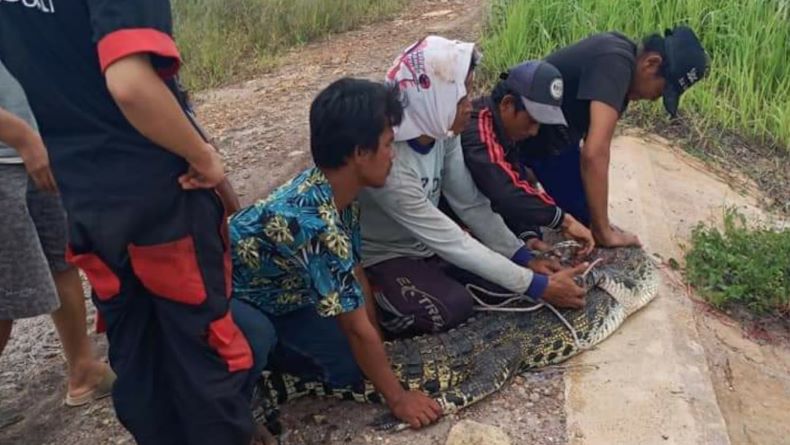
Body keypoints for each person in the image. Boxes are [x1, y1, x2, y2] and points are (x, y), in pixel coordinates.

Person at [0, 2, 257, 444]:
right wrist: (204, 155)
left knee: (137, 351)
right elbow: (131, 85)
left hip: (84, 198)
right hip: (161, 193)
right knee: (204, 352)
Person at [230, 78, 442, 430]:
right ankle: (232, 399)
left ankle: (267, 359)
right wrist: (399, 398)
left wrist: (378, 339)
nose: (394, 155)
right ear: (360, 153)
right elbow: (354, 328)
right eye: (389, 144)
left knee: (352, 368)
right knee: (257, 335)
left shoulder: (339, 196)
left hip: (280, 299)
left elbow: (353, 273)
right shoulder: (312, 221)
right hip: (219, 300)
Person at [359, 36, 589, 338]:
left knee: (507, 280)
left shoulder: (444, 132)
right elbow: (452, 240)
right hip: (388, 254)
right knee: (453, 306)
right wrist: (539, 287)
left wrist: (524, 258)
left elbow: (470, 204)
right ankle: (377, 296)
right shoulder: (389, 159)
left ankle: (437, 277)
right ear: (435, 95)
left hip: (428, 247)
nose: (471, 104)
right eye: (462, 94)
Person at [519, 26, 708, 247]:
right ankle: (521, 170)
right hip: (528, 133)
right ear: (651, 63)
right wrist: (603, 233)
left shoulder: (623, 58)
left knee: (586, 211)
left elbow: (590, 143)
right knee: (586, 224)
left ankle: (526, 172)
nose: (654, 99)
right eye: (661, 91)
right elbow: (595, 153)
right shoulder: (616, 63)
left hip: (554, 139)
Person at [0, 61, 113, 427]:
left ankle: (83, 370)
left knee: (61, 258)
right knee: (5, 296)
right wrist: (21, 136)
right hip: (13, 153)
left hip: (37, 150)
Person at [459, 60, 594, 254]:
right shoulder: (477, 126)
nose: (534, 131)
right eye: (532, 121)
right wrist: (564, 220)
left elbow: (517, 179)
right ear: (507, 104)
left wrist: (527, 235)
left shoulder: (505, 132)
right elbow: (504, 190)